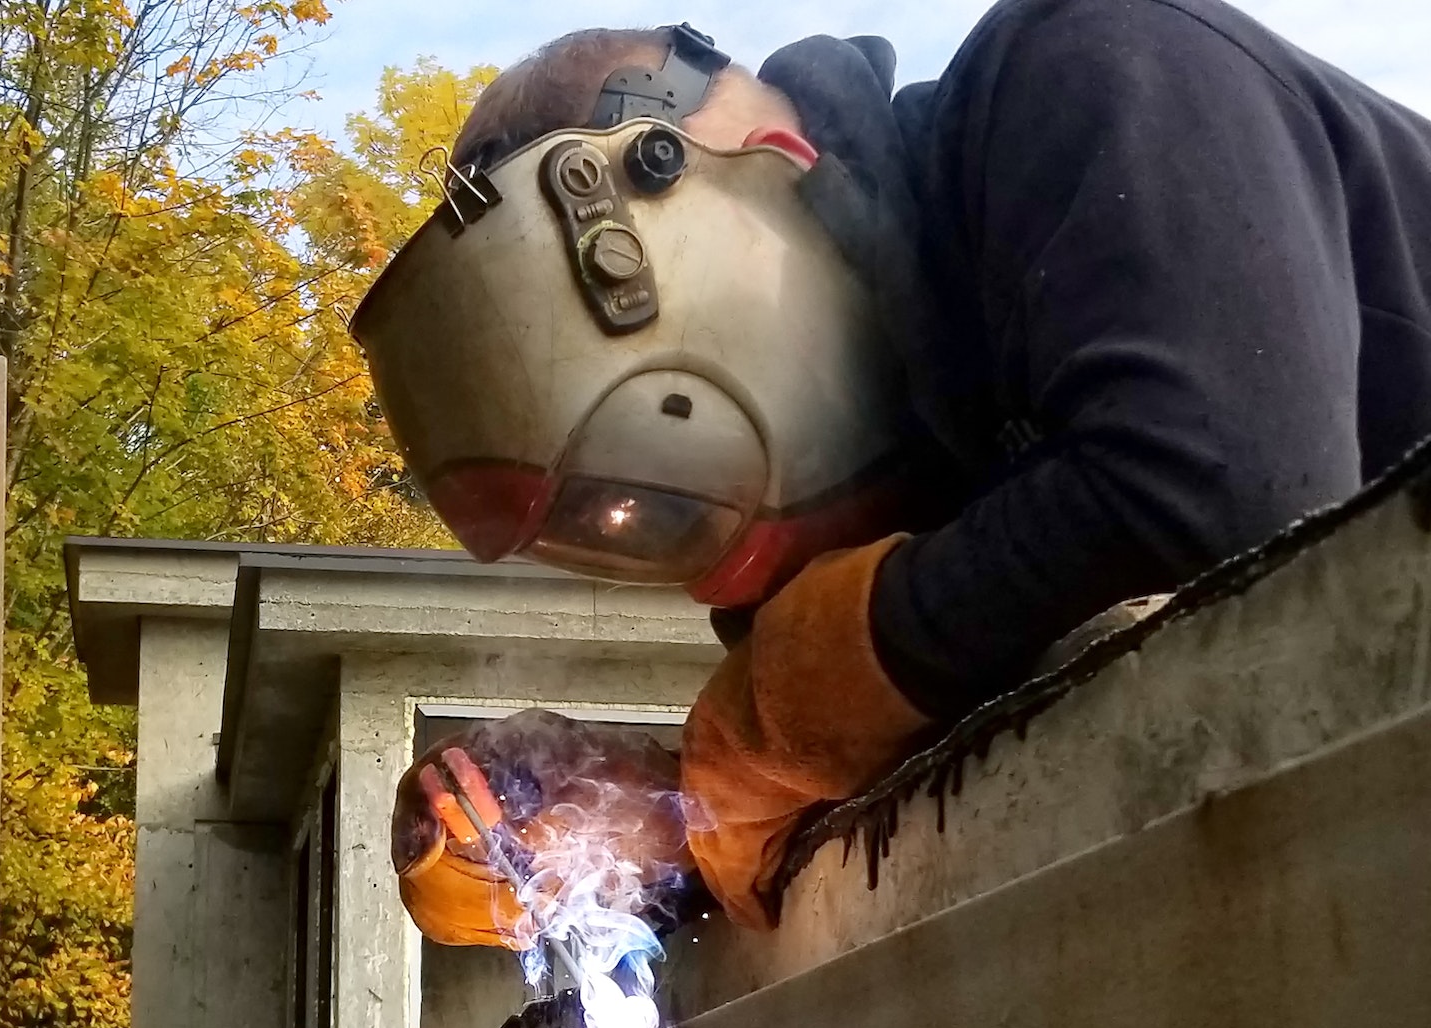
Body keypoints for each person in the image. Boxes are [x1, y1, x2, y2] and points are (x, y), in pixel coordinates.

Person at [376, 0, 1431, 945]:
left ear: (750, 158)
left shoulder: (1092, 60)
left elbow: (1222, 505)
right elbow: (917, 761)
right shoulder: (921, 451)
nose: (726, 583)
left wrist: (778, 713)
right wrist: (626, 836)